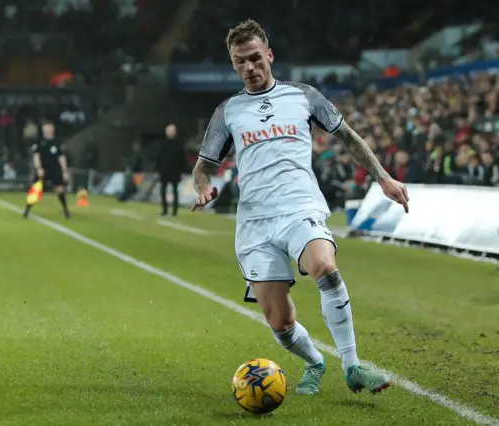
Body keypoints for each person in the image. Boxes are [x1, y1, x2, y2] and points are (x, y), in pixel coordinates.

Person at [191, 19, 409, 396]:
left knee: (324, 265)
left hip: (299, 207)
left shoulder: (303, 96)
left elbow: (348, 137)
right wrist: (204, 186)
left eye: (255, 58)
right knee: (280, 321)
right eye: (240, 62)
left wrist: (383, 178)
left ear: (270, 55)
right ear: (233, 64)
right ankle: (315, 362)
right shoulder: (226, 113)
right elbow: (203, 167)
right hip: (255, 222)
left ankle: (352, 366)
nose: (249, 68)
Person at [23, 120, 71, 219]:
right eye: (46, 128)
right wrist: (39, 168)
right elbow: (36, 156)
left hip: (55, 169)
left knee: (60, 190)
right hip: (43, 168)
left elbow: (61, 157)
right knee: (35, 189)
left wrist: (64, 171)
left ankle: (65, 209)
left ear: (52, 129)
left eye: (49, 128)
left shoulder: (57, 142)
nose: (47, 130)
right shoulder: (39, 142)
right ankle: (27, 210)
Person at [155, 123, 186, 216]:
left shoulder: (179, 145)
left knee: (175, 191)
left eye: (172, 131)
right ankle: (164, 210)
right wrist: (157, 170)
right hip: (164, 171)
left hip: (175, 171)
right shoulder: (162, 144)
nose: (171, 133)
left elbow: (183, 159)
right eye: (169, 131)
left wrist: (183, 171)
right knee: (163, 191)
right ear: (166, 132)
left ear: (175, 132)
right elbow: (158, 158)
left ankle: (175, 211)